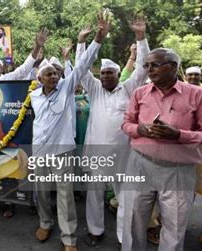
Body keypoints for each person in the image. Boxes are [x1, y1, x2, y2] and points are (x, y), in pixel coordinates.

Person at [30, 13, 109, 251]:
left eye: (56, 72)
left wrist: (96, 38)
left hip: (63, 151)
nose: (54, 75)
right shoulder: (33, 95)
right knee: (42, 193)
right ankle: (45, 222)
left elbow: (83, 65)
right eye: (49, 73)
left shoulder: (65, 88)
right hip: (39, 151)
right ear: (40, 78)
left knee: (65, 196)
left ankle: (68, 238)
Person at [121, 48, 202, 251]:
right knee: (134, 220)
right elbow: (126, 124)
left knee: (174, 226)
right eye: (147, 65)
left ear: (173, 66)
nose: (149, 70)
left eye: (154, 65)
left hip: (178, 171)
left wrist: (179, 135)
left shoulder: (198, 95)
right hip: (140, 165)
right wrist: (140, 129)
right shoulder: (140, 93)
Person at [75, 15, 149, 248]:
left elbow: (142, 68)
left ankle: (122, 238)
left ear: (118, 75)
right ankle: (96, 231)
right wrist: (86, 41)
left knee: (126, 199)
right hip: (97, 156)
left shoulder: (128, 89)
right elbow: (81, 67)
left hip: (124, 158)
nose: (105, 76)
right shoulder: (94, 90)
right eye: (103, 73)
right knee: (94, 197)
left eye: (110, 73)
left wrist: (141, 36)